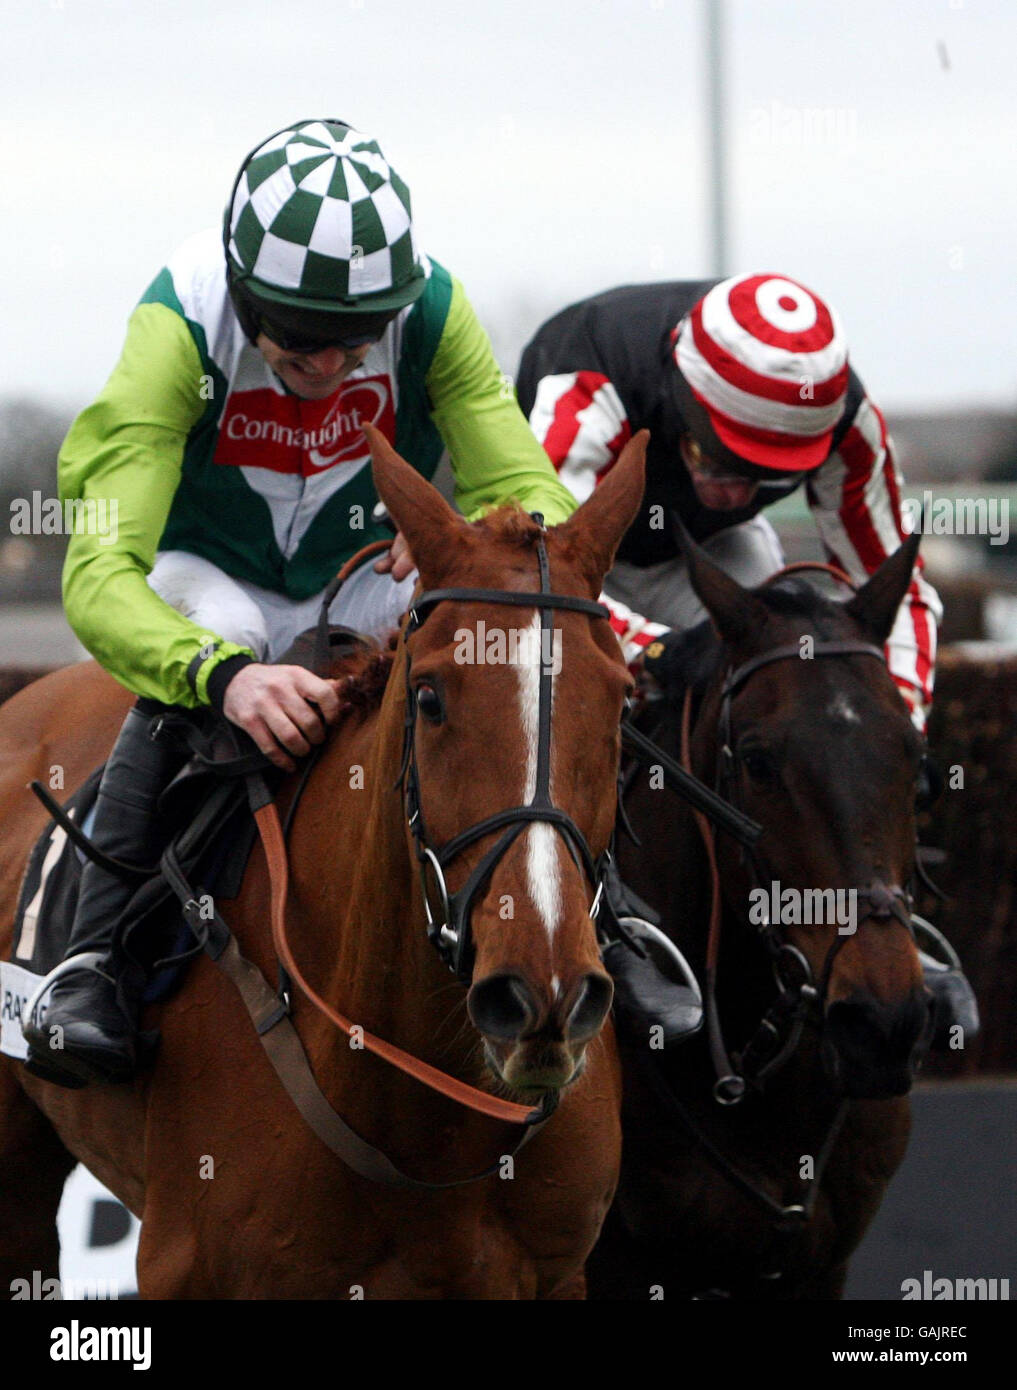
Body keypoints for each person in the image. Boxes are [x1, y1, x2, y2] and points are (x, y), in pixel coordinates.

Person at [26, 118, 583, 1087]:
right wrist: (223, 676)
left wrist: (476, 527)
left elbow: (541, 501)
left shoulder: (435, 310)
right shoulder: (178, 327)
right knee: (235, 629)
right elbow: (102, 576)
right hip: (206, 571)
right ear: (243, 290)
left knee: (505, 661)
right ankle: (93, 958)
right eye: (299, 340)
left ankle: (616, 927)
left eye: (353, 342)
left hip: (358, 571)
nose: (328, 365)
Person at [515, 272, 941, 730]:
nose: (735, 494)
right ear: (684, 396)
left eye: (770, 474)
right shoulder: (593, 375)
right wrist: (657, 655)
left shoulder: (844, 420)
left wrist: (900, 724)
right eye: (716, 458)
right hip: (578, 553)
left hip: (713, 545)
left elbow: (896, 592)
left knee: (776, 682)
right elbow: (534, 574)